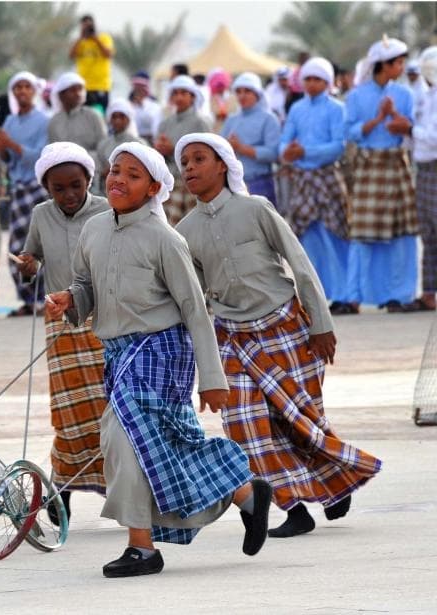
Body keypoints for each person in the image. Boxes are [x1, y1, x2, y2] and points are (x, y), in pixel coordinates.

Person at [46, 141, 271, 578]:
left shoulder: (166, 238)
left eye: (133, 174)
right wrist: (67, 301)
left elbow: (194, 308)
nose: (119, 180)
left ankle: (142, 547)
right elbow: (83, 286)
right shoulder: (93, 230)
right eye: (115, 170)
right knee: (163, 443)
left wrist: (212, 377)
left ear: (153, 188)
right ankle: (245, 493)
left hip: (161, 348)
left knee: (119, 434)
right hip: (117, 352)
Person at [174, 133, 382, 539]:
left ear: (223, 165)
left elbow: (299, 262)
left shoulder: (256, 209)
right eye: (184, 162)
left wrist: (321, 323)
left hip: (286, 326)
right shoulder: (184, 230)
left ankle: (334, 481)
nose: (189, 168)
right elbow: (194, 298)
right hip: (232, 338)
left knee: (298, 421)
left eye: (199, 159)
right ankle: (294, 507)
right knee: (245, 425)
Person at [14, 142, 110, 519]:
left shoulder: (107, 210)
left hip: (103, 318)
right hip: (60, 320)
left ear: (90, 180)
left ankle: (126, 488)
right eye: (59, 189)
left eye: (76, 185)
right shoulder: (40, 215)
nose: (69, 195)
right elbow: (32, 257)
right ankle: (63, 488)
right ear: (46, 189)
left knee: (109, 407)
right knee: (68, 412)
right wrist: (28, 266)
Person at [345, 37, 419, 313]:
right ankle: (355, 295)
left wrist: (393, 114)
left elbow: (408, 127)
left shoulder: (405, 94)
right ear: (382, 65)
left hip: (396, 165)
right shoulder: (355, 96)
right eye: (397, 63)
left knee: (402, 234)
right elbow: (350, 132)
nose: (401, 67)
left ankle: (399, 294)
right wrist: (378, 118)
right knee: (362, 234)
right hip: (368, 166)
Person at [278, 58, 353, 312]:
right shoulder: (297, 109)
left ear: (328, 82)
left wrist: (305, 151)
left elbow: (338, 146)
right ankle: (318, 297)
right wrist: (287, 152)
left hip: (328, 177)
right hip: (303, 180)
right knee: (308, 238)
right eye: (308, 79)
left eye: (317, 79)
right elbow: (284, 142)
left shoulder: (337, 109)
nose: (311, 84)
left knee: (336, 234)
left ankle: (345, 295)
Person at [0, 71, 49, 317]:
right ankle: (27, 299)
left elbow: (40, 155)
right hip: (18, 189)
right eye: (18, 87)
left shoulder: (45, 121)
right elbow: (7, 159)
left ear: (34, 90)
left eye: (26, 86)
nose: (22, 91)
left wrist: (11, 145)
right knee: (17, 246)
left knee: (42, 247)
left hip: (38, 188)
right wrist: (1, 147)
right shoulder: (11, 122)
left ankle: (45, 299)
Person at [153, 75, 212, 224]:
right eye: (175, 93)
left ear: (192, 97)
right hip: (168, 181)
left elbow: (206, 156)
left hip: (192, 183)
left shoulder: (200, 123)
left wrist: (173, 149)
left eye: (183, 93)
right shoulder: (165, 124)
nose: (179, 97)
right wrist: (159, 150)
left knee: (190, 226)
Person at [221, 72, 281, 205]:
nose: (242, 95)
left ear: (257, 94)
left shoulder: (269, 119)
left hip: (260, 182)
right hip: (232, 184)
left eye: (247, 91)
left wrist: (242, 148)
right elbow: (219, 148)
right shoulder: (232, 120)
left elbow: (273, 154)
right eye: (239, 91)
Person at [407, 47, 437, 312]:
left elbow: (433, 137)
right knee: (428, 233)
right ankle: (429, 292)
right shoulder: (429, 97)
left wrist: (408, 129)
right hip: (425, 170)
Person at [47, 72, 106, 159]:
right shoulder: (54, 122)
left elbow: (103, 147)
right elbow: (52, 152)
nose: (78, 93)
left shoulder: (93, 116)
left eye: (80, 89)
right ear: (61, 95)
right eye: (73, 90)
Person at [95, 99, 146, 193]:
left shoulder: (139, 144)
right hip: (106, 192)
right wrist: (105, 172)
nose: (117, 121)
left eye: (122, 117)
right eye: (114, 117)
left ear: (129, 119)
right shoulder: (103, 144)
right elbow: (97, 170)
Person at [68, 14, 114, 112]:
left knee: (99, 116)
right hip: (83, 87)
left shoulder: (104, 38)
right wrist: (81, 37)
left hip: (101, 86)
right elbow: (71, 55)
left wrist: (95, 39)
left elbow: (108, 54)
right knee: (83, 117)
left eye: (89, 26)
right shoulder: (80, 42)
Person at [128, 71, 162, 144]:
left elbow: (156, 128)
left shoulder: (154, 106)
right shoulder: (128, 106)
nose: (139, 90)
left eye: (141, 87)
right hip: (133, 142)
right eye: (137, 88)